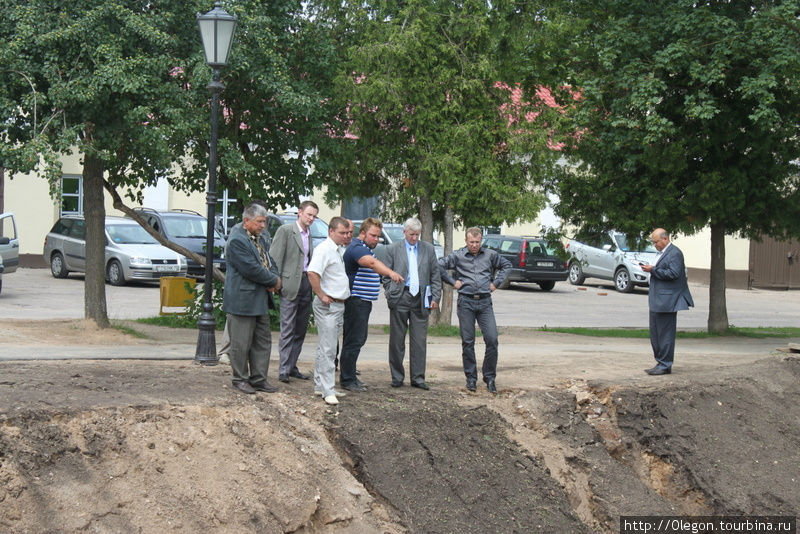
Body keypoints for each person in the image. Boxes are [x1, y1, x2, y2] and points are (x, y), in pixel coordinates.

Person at [438, 227, 511, 393]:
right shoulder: (458, 256)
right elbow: (438, 265)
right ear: (466, 241)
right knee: (468, 341)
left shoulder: (490, 255)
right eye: (471, 242)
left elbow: (506, 265)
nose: (474, 245)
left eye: (477, 242)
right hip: (466, 302)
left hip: (485, 302)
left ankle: (490, 377)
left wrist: (496, 283)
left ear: (481, 241)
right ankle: (471, 378)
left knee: (492, 339)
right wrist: (452, 281)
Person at [222, 202, 282, 394]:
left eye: (264, 221)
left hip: (260, 298)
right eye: (260, 222)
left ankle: (259, 379)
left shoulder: (260, 237)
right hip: (242, 300)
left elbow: (269, 260)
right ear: (247, 220)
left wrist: (275, 278)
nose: (263, 226)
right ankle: (239, 379)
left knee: (262, 341)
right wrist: (273, 280)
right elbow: (251, 269)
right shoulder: (237, 241)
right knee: (241, 343)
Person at [340, 218, 404, 391]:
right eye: (373, 236)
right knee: (354, 340)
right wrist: (391, 273)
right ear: (362, 233)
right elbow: (371, 263)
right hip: (356, 301)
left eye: (378, 236)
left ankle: (351, 375)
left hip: (363, 301)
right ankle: (347, 380)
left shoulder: (365, 248)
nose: (376, 239)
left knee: (357, 339)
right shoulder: (357, 248)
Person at [382, 217, 441, 389]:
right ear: (404, 232)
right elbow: (385, 275)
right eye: (411, 234)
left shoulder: (428, 249)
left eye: (417, 235)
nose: (415, 238)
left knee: (419, 340)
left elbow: (435, 275)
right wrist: (390, 292)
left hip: (421, 298)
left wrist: (435, 298)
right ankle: (397, 377)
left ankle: (418, 378)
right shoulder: (393, 249)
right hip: (400, 296)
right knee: (397, 340)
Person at [270, 200, 319, 383]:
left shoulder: (309, 233)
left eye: (314, 216)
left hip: (306, 283)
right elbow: (275, 258)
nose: (311, 218)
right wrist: (276, 282)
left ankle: (292, 366)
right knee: (287, 328)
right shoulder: (286, 231)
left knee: (300, 329)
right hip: (290, 285)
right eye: (309, 214)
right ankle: (283, 369)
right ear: (299, 212)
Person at [307, 217, 351, 405]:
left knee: (326, 346)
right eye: (342, 233)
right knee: (328, 348)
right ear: (331, 231)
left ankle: (320, 385)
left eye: (347, 233)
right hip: (328, 304)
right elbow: (312, 272)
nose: (345, 236)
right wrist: (321, 294)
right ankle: (327, 389)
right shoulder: (324, 249)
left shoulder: (337, 250)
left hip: (337, 304)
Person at [640, 228, 694, 375]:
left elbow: (674, 273)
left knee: (665, 334)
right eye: (653, 242)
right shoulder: (662, 253)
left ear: (665, 239)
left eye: (656, 242)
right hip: (657, 299)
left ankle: (665, 364)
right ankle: (660, 362)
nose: (655, 245)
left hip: (668, 300)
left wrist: (653, 270)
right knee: (656, 334)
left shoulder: (675, 253)